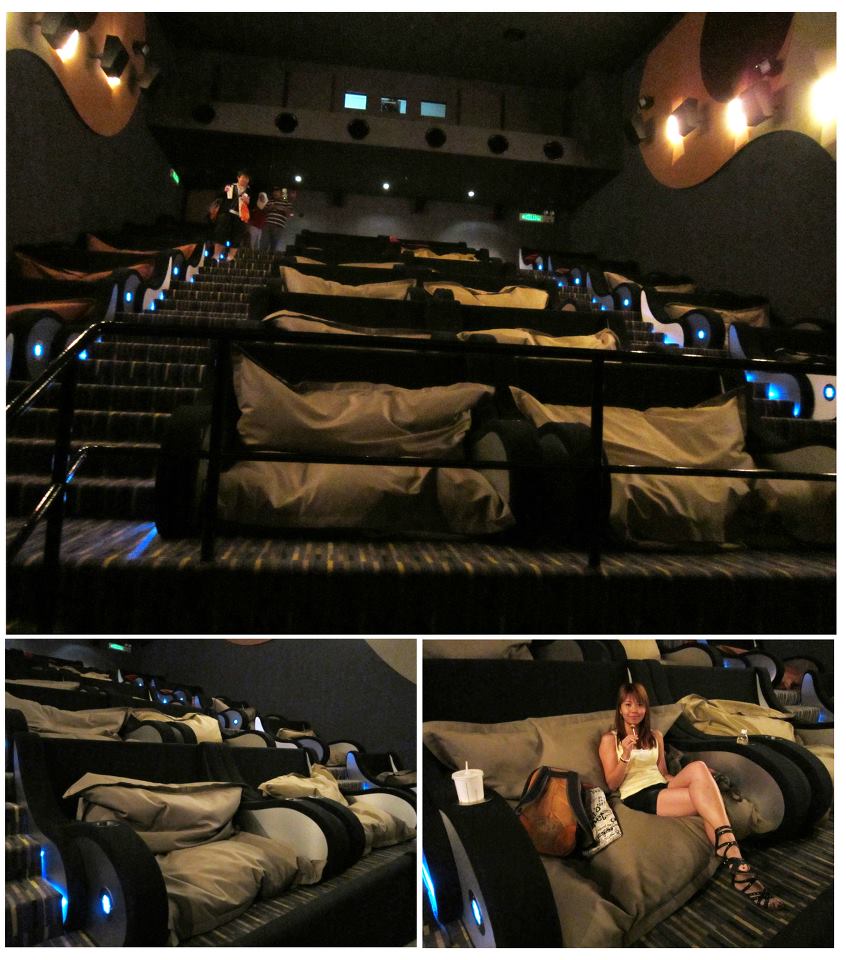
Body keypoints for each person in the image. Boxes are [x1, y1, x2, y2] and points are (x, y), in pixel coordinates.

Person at [598, 682, 784, 910]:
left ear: (646, 708)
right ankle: (737, 863)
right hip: (638, 794)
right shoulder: (610, 739)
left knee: (699, 768)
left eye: (640, 705)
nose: (634, 710)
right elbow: (612, 783)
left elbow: (663, 773)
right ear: (619, 708)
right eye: (628, 705)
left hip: (661, 785)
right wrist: (626, 755)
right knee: (707, 801)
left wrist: (700, 781)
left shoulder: (655, 736)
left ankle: (732, 859)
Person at [212, 169, 251, 258]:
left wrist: (248, 202)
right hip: (226, 214)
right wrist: (224, 191)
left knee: (236, 238)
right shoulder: (230, 186)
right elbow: (218, 195)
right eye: (243, 177)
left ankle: (230, 258)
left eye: (247, 178)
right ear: (238, 178)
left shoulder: (249, 191)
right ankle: (216, 256)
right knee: (221, 235)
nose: (245, 180)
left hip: (240, 217)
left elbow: (254, 206)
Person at [262, 186, 296, 253]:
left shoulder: (287, 203)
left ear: (281, 193)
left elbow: (289, 215)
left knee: (274, 245)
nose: (275, 193)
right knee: (264, 243)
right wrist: (270, 208)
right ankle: (261, 257)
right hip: (268, 224)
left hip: (279, 226)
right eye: (274, 192)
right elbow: (264, 211)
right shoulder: (270, 201)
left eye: (277, 192)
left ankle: (271, 258)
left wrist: (283, 209)